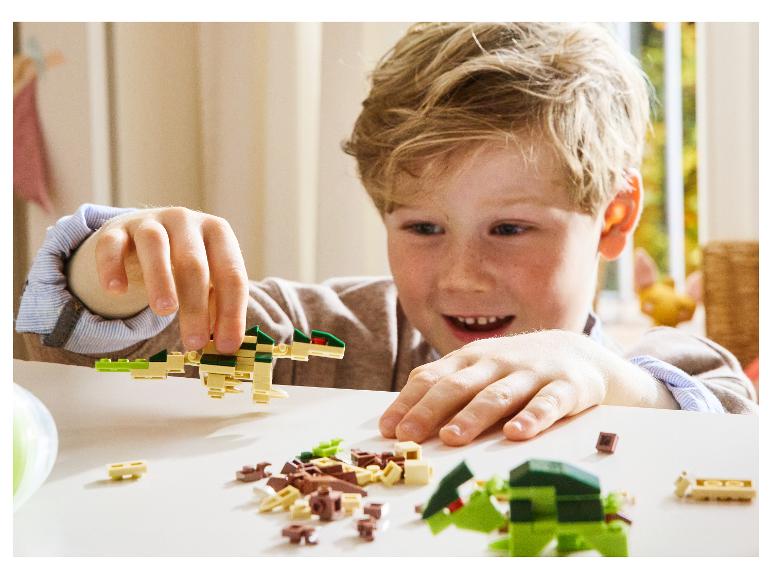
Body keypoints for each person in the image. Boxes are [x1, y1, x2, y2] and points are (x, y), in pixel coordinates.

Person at [15, 23, 757, 448]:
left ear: (616, 219)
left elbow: (727, 421)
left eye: (510, 227)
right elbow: (66, 355)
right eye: (423, 226)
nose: (463, 274)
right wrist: (104, 280)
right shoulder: (332, 338)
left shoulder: (664, 364)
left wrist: (598, 372)